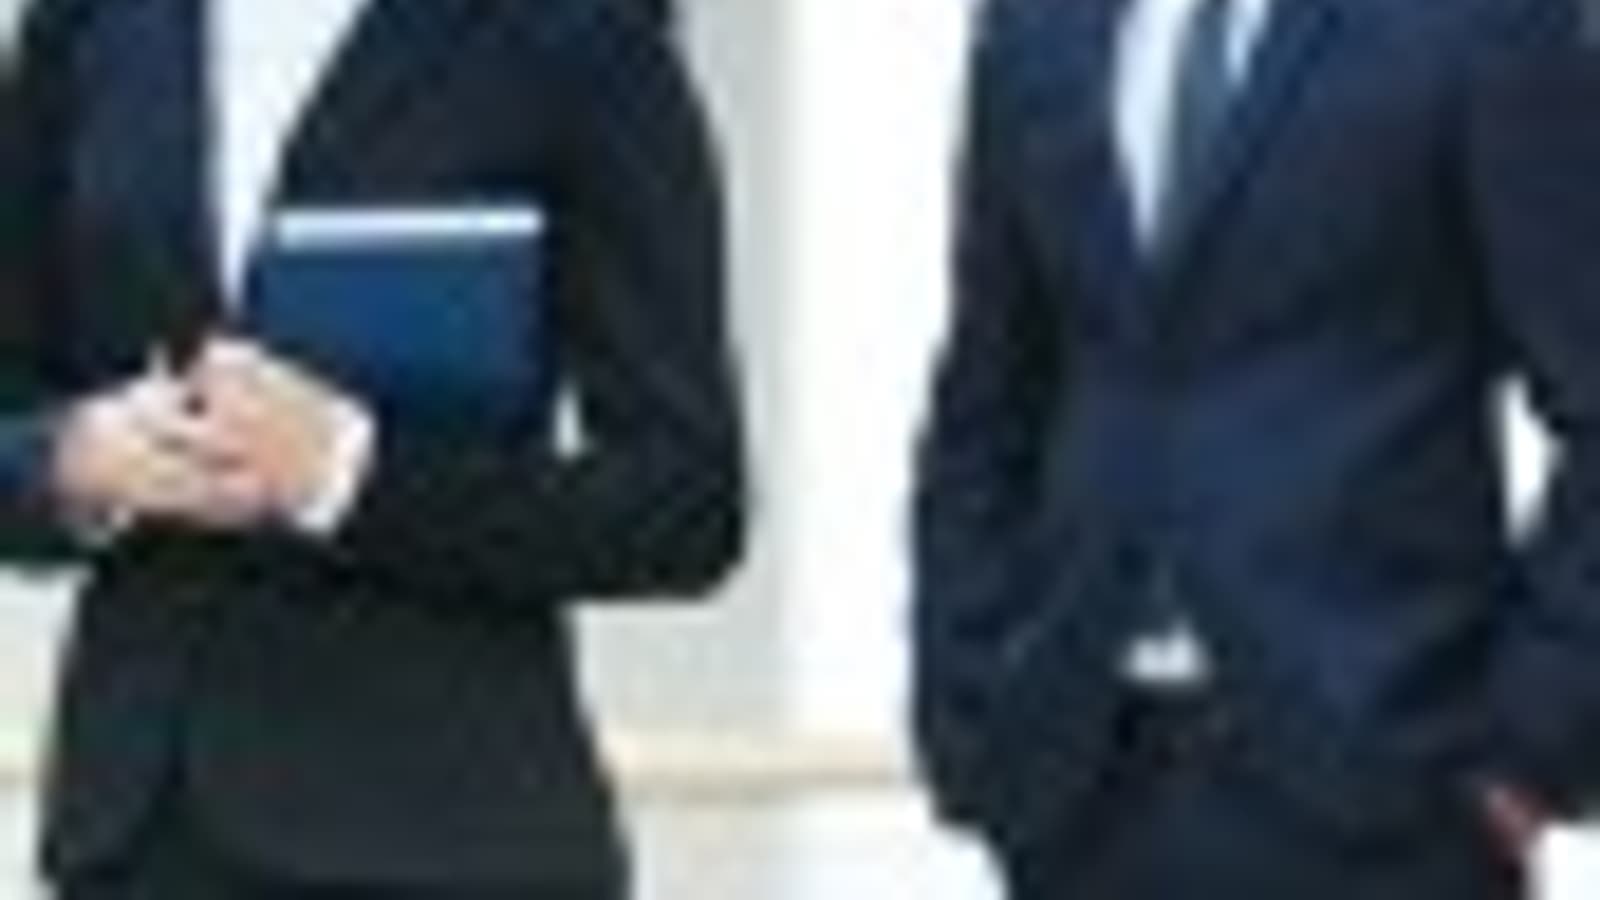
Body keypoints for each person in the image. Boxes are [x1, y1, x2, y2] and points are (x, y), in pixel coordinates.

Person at [0, 0, 745, 897]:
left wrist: (350, 475)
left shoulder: (575, 31)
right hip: (149, 828)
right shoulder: (87, 21)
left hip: (440, 830)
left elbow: (687, 501)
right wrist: (73, 459)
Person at [912, 0, 1600, 896]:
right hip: (1081, 784)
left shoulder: (1479, 21)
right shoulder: (1035, 24)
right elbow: (987, 397)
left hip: (1385, 782)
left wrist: (1533, 742)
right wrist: (966, 690)